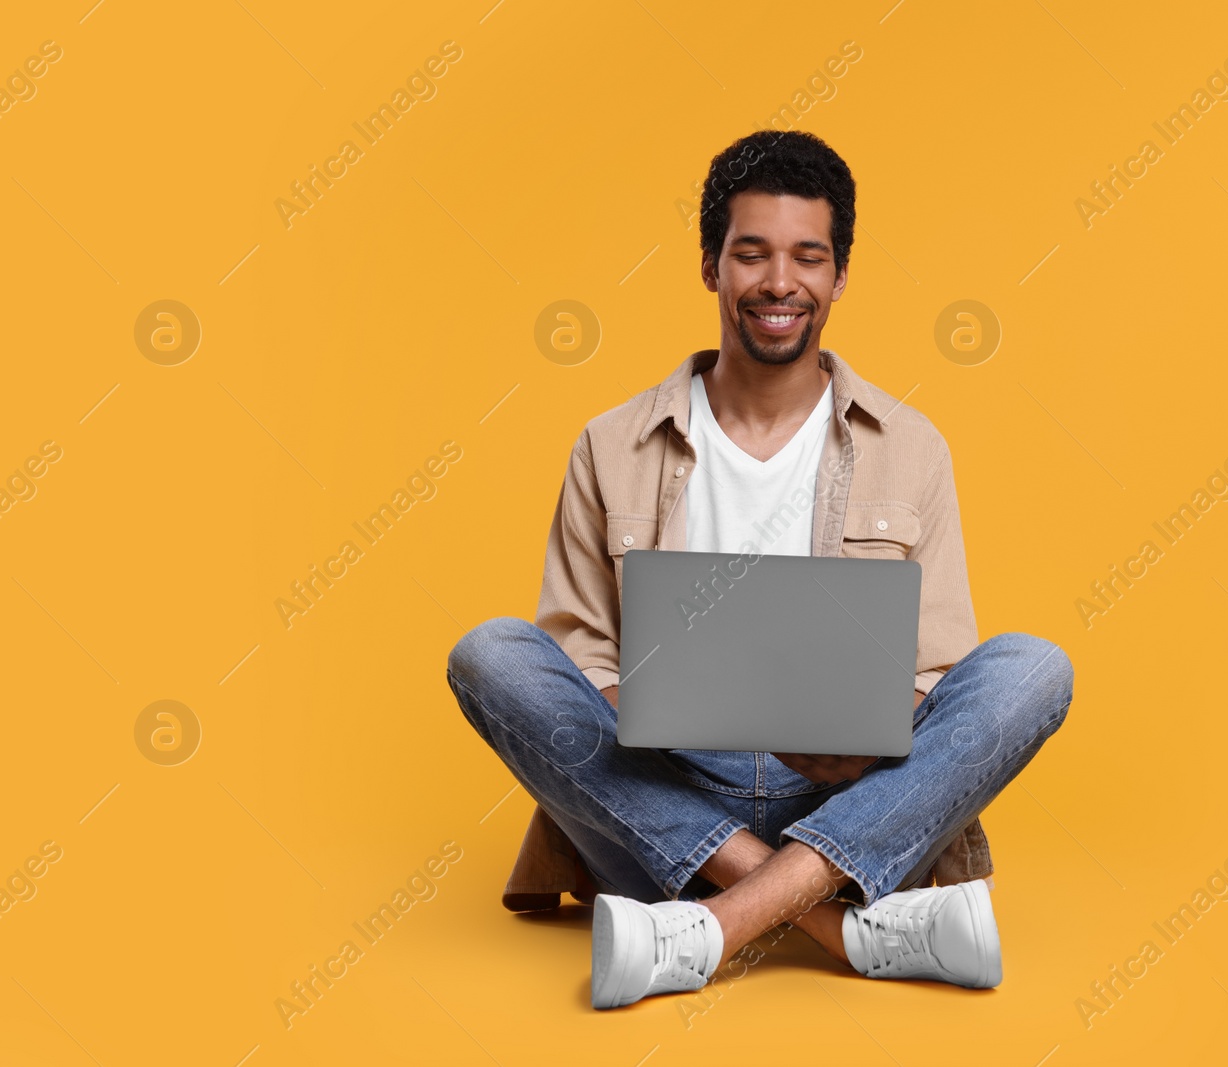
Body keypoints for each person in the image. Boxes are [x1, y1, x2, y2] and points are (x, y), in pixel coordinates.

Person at [446, 130, 1074, 1011]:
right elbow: (580, 669)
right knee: (491, 654)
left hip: (851, 797)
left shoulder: (913, 447)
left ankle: (704, 927)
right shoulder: (610, 444)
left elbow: (935, 671)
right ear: (710, 266)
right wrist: (671, 709)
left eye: (808, 257)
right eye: (752, 253)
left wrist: (862, 734)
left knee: (1032, 668)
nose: (780, 282)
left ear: (840, 275)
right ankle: (838, 925)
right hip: (660, 795)